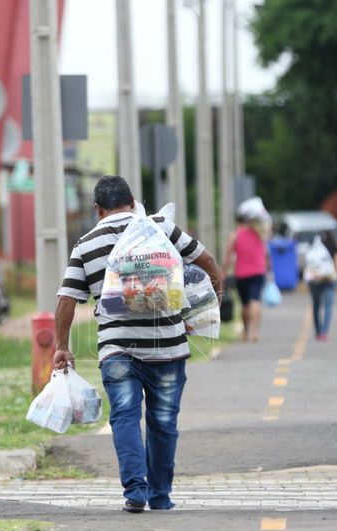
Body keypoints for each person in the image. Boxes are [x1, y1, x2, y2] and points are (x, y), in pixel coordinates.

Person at [54, 176, 222, 513]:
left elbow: (67, 301)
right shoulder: (160, 227)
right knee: (163, 422)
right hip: (169, 348)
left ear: (97, 209)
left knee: (125, 418)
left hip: (117, 350)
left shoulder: (86, 244)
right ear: (133, 201)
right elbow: (207, 262)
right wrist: (208, 309)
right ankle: (160, 495)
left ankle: (135, 490)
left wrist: (62, 346)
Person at [221, 212, 272, 342]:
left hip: (242, 274)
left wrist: (223, 272)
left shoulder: (235, 235)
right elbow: (266, 253)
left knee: (244, 304)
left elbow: (227, 257)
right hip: (258, 272)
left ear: (238, 222)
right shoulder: (259, 233)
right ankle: (255, 332)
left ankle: (246, 331)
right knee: (255, 300)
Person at [306, 230, 337, 341]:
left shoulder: (314, 248)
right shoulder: (335, 249)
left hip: (314, 279)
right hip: (329, 279)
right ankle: (324, 332)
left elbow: (308, 264)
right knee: (328, 306)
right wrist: (335, 275)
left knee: (316, 305)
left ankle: (318, 331)